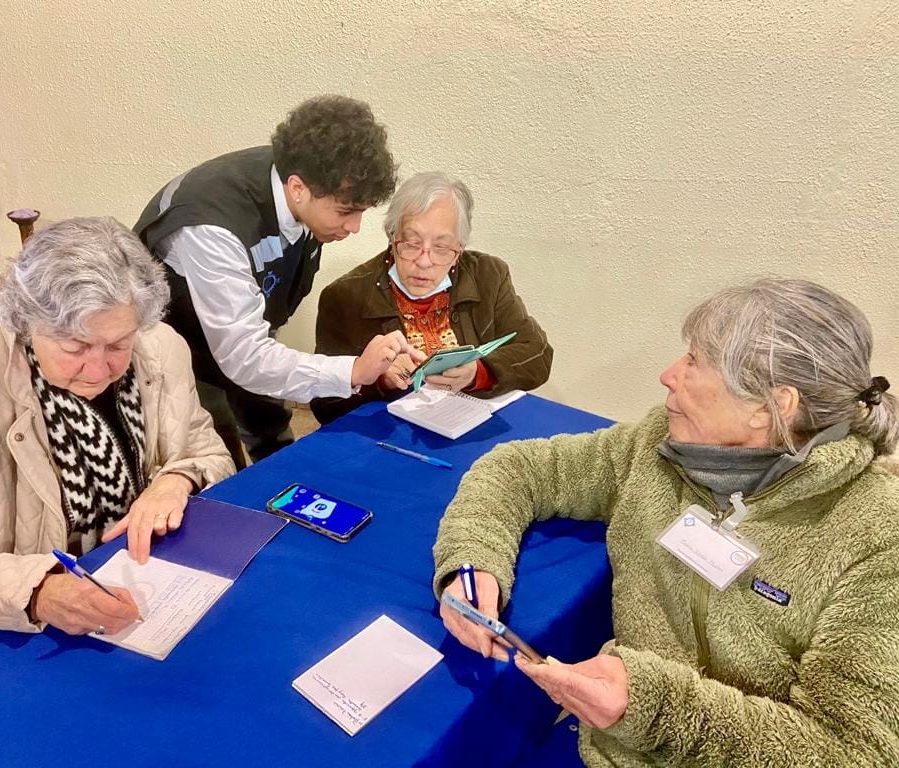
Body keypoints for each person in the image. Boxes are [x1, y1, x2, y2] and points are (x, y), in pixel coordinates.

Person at [433, 277, 899, 766]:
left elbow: (853, 751)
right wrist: (473, 560)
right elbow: (516, 469)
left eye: (695, 362)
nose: (668, 375)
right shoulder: (660, 444)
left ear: (771, 407)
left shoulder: (876, 535)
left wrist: (653, 708)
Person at [0, 217, 235, 639]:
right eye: (75, 347)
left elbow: (208, 453)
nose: (101, 369)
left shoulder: (160, 347)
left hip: (148, 579)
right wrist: (39, 590)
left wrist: (175, 480)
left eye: (118, 344)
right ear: (26, 324)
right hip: (24, 625)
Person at [135, 94, 420, 467]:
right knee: (215, 454)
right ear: (298, 188)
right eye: (346, 212)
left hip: (242, 331)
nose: (354, 227)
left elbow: (256, 342)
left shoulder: (303, 184)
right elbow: (243, 358)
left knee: (273, 430)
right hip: (174, 346)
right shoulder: (210, 226)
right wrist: (352, 371)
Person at [312, 172, 552, 424]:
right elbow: (324, 405)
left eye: (441, 247)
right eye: (412, 243)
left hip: (471, 426)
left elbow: (537, 354)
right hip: (393, 438)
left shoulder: (488, 275)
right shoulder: (345, 296)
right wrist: (376, 380)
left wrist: (478, 372)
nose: (424, 262)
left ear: (459, 250)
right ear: (393, 238)